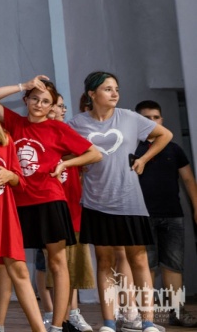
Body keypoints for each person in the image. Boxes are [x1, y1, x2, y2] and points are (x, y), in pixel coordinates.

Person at [0, 77, 101, 332]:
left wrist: (65, 164)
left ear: (52, 106)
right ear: (26, 100)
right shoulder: (15, 123)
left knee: (57, 263)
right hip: (18, 203)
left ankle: (58, 325)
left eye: (46, 101)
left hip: (50, 201)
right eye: (35, 99)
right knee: (6, 263)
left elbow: (94, 154)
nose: (39, 104)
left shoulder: (57, 128)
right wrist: (23, 85)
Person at [68, 72, 173, 332]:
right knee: (104, 262)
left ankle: (147, 322)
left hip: (129, 200)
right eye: (107, 89)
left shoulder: (129, 117)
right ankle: (108, 322)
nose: (115, 93)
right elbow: (63, 150)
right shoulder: (76, 124)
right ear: (92, 94)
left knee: (139, 259)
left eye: (116, 88)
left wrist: (143, 159)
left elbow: (165, 135)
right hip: (95, 201)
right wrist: (76, 164)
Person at [0, 88, 44, 332]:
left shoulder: (5, 139)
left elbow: (20, 181)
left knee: (19, 269)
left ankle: (39, 329)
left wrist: (10, 175)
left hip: (5, 215)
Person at [133, 100, 197, 327]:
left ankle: (177, 312)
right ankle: (146, 318)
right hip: (141, 216)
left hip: (172, 215)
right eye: (146, 118)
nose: (152, 122)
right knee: (146, 267)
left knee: (173, 265)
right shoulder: (132, 147)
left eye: (156, 117)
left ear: (162, 119)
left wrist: (196, 207)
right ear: (137, 121)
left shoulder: (174, 148)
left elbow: (188, 180)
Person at [37, 93, 95, 332]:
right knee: (47, 263)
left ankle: (71, 312)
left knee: (71, 265)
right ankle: (50, 313)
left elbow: (89, 158)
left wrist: (72, 160)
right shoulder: (39, 135)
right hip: (48, 208)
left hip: (72, 209)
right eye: (56, 106)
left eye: (61, 106)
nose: (59, 110)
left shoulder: (68, 135)